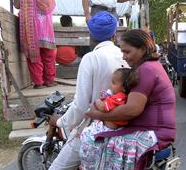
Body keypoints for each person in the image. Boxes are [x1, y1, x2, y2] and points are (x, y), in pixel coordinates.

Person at [83, 29, 176, 170]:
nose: (124, 57)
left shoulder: (146, 70)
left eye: (127, 52)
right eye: (122, 52)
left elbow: (132, 110)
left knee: (91, 138)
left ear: (143, 49)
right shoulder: (151, 66)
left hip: (154, 134)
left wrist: (97, 115)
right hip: (153, 130)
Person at [48, 11, 128, 170]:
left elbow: (81, 105)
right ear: (114, 35)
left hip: (92, 129)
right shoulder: (125, 56)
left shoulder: (91, 58)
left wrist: (60, 121)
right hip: (122, 126)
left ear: (91, 34)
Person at [0, 0, 57, 89]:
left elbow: (16, 2)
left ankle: (39, 83)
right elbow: (52, 6)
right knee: (48, 56)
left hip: (31, 30)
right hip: (47, 31)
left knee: (34, 57)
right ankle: (50, 81)